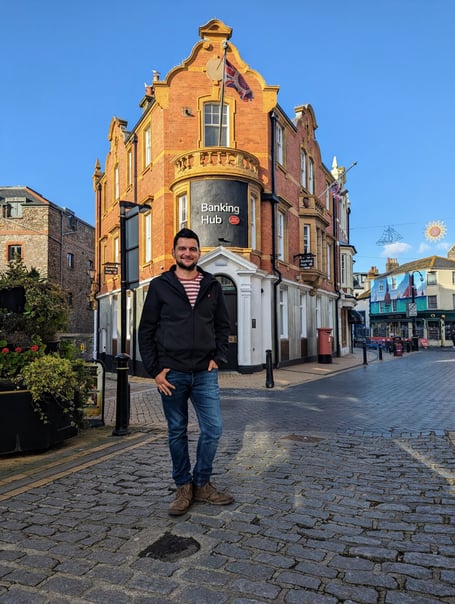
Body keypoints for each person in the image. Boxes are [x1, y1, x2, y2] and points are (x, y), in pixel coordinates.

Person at [138, 228, 234, 516]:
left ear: (199, 253)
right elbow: (146, 330)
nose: (187, 253)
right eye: (182, 249)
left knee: (213, 429)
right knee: (177, 431)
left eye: (192, 249)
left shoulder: (211, 285)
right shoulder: (160, 286)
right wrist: (155, 371)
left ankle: (201, 483)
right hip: (172, 374)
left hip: (205, 372)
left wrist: (218, 357)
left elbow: (223, 326)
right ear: (174, 252)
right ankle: (183, 486)